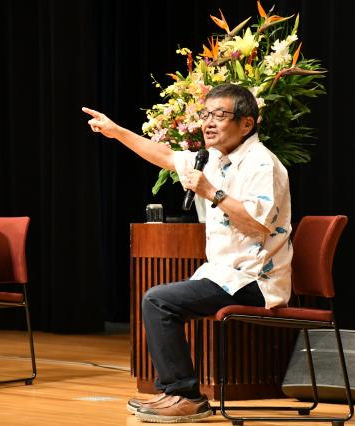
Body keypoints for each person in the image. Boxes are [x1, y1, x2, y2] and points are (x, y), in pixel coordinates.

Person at [82, 83, 292, 423]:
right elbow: (165, 156)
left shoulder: (261, 164)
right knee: (158, 300)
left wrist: (212, 192)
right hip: (226, 275)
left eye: (219, 115)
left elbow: (259, 223)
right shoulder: (214, 159)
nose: (208, 122)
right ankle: (175, 393)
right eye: (206, 114)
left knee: (158, 301)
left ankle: (187, 396)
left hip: (256, 279)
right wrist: (116, 131)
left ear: (246, 124)